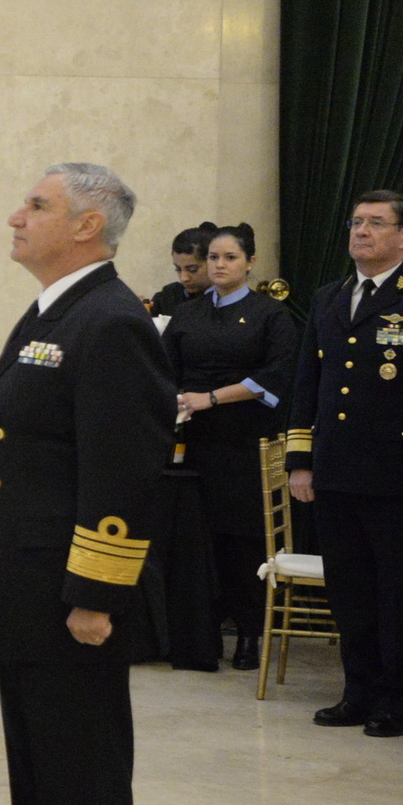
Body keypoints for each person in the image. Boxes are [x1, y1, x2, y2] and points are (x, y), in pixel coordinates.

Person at [0, 164, 172, 805]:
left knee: (80, 779)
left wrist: (95, 593)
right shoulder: (60, 308)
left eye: (37, 206)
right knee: (38, 773)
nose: (16, 215)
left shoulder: (113, 321)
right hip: (27, 592)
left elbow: (122, 475)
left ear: (87, 226)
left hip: (70, 598)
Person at [286, 191, 403, 739]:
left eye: (375, 224)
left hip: (397, 475)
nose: (361, 232)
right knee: (349, 591)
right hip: (336, 469)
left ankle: (398, 699)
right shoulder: (328, 297)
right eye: (356, 222)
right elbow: (308, 385)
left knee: (399, 591)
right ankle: (358, 690)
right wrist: (301, 459)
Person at [162, 223, 299, 674]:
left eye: (229, 258)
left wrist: (214, 397)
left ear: (250, 263)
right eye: (213, 259)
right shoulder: (188, 313)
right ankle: (200, 633)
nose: (219, 266)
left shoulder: (270, 314)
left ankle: (249, 633)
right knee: (203, 541)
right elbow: (165, 368)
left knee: (244, 542)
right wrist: (177, 398)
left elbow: (278, 374)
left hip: (246, 442)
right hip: (196, 443)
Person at [148, 224, 219, 320]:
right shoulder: (168, 296)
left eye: (192, 270)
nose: (184, 278)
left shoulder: (228, 300)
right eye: (178, 269)